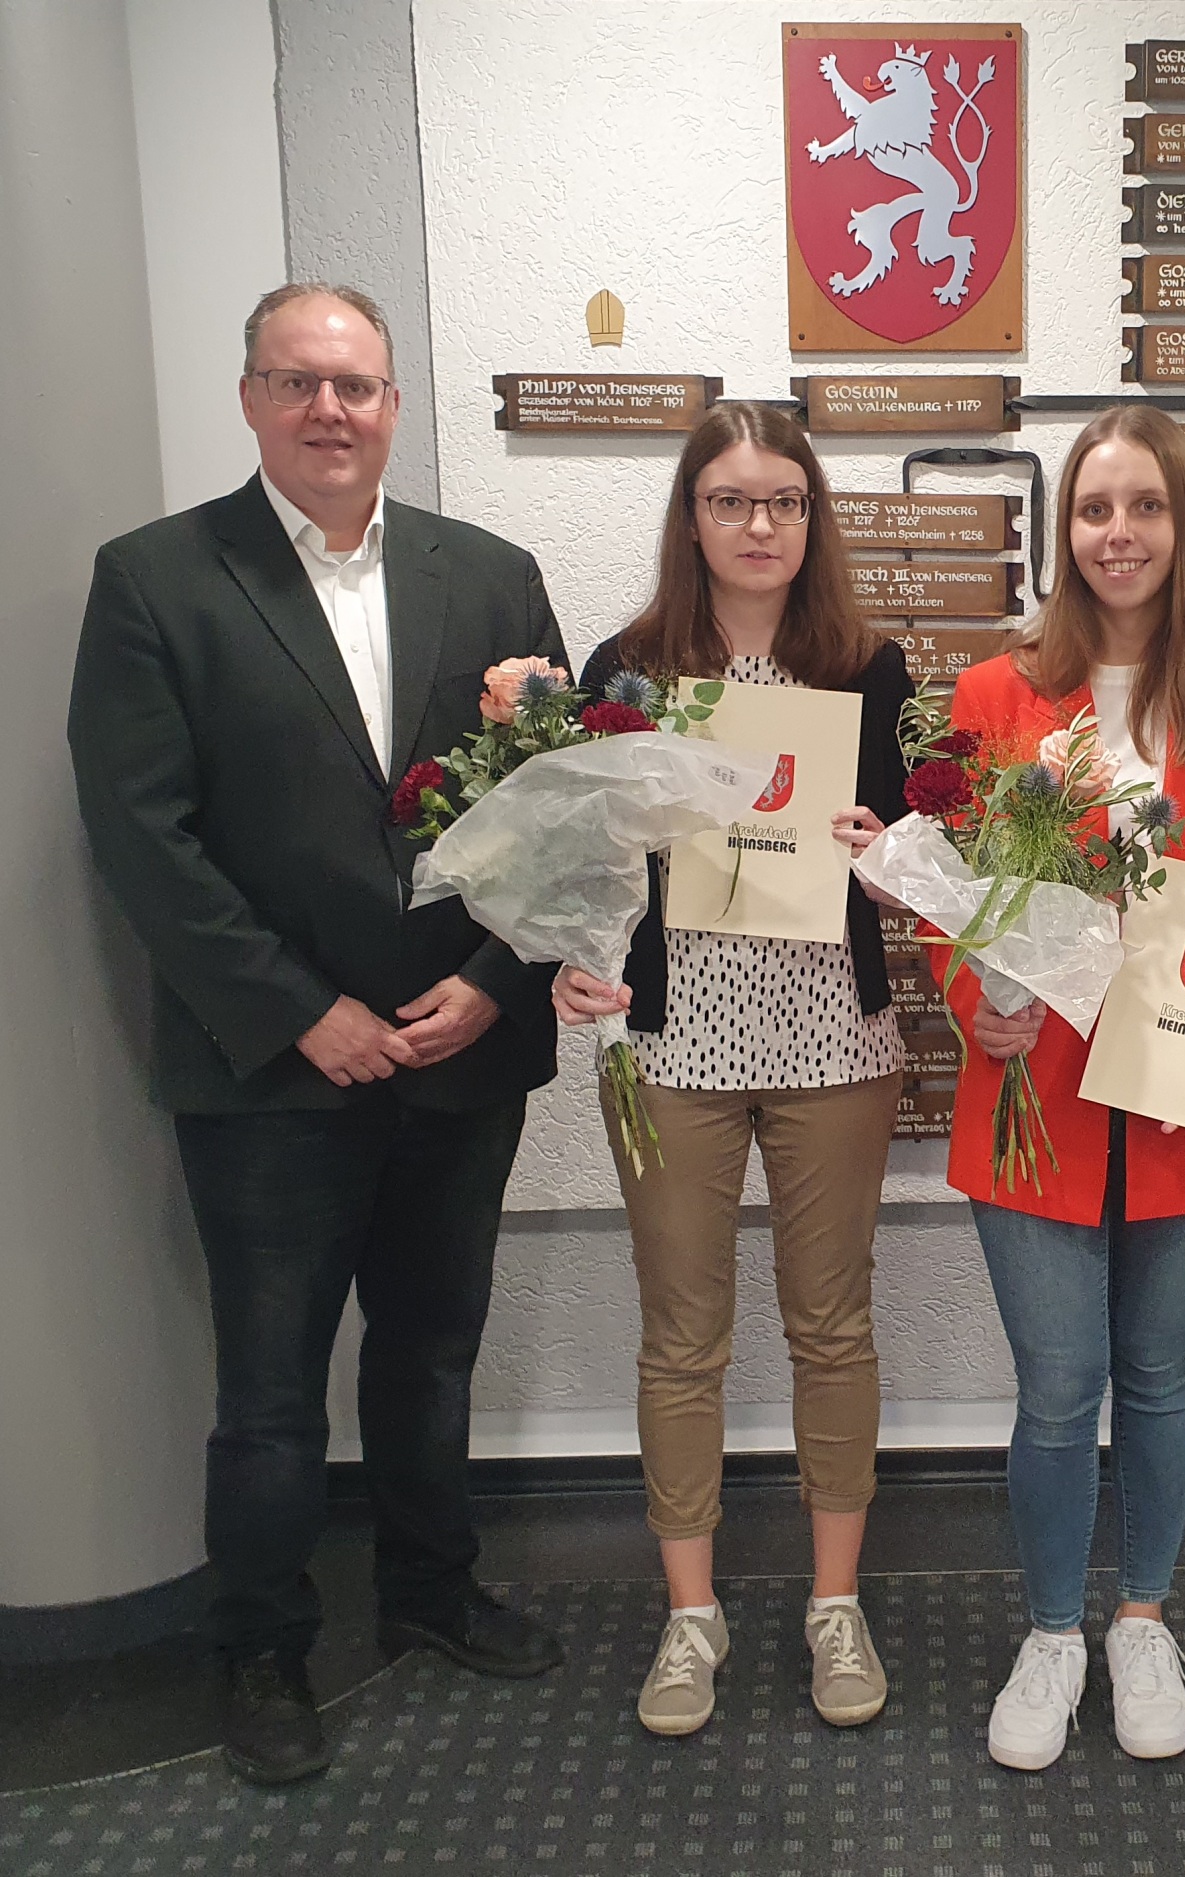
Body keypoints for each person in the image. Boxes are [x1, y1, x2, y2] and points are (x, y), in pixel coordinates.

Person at [66, 285, 567, 1786]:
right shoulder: (158, 580)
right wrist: (303, 1011)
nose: (331, 410)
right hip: (271, 1074)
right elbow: (142, 837)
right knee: (272, 1392)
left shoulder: (491, 574)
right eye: (300, 382)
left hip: (461, 1047)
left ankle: (426, 1592)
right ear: (251, 399)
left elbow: (563, 807)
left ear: (395, 405)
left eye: (356, 386)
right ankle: (265, 1650)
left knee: (430, 1354)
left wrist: (492, 976)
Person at [935, 406, 1185, 1772]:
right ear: (1066, 532)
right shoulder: (997, 697)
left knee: (1156, 1372)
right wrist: (967, 990)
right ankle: (1052, 1632)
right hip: (1031, 1092)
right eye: (1095, 509)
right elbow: (955, 891)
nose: (1119, 534)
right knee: (1059, 1386)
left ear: (1184, 525)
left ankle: (1143, 1617)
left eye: (1144, 507)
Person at [552, 403, 911, 1738]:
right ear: (690, 517)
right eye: (730, 499)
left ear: (813, 522)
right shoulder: (627, 668)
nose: (759, 525)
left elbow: (918, 859)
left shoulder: (870, 669)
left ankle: (833, 1604)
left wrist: (886, 843)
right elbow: (585, 857)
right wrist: (568, 961)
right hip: (674, 1040)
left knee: (834, 1327)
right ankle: (690, 1616)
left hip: (834, 1041)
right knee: (681, 1336)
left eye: (784, 502)